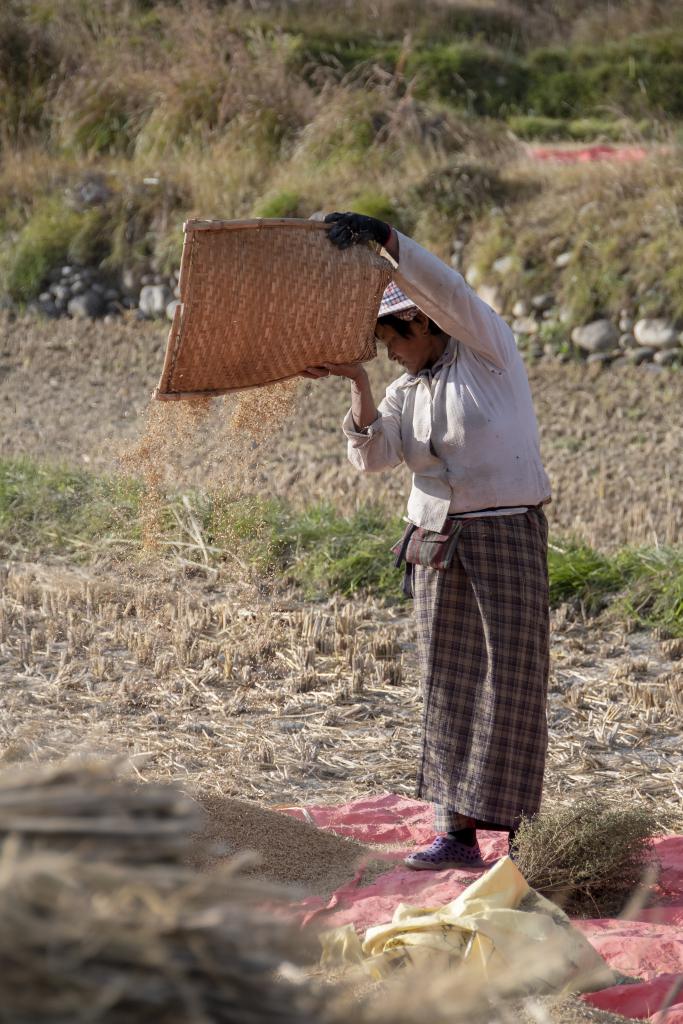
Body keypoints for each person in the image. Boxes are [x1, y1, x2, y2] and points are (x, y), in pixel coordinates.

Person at [302, 211, 551, 870]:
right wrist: (358, 386)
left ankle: (523, 835)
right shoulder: (405, 389)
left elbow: (449, 291)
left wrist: (388, 241)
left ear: (420, 322)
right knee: (450, 683)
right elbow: (373, 458)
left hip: (504, 535)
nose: (388, 352)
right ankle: (457, 834)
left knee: (513, 681)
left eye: (391, 339)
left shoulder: (485, 352)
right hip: (437, 543)